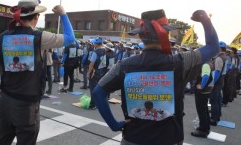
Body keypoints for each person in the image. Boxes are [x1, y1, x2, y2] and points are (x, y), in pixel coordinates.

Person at [93, 9, 219, 145]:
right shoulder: (181, 62)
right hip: (169, 139)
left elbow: (98, 93)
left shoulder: (123, 65)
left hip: (133, 138)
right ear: (166, 34)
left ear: (140, 37)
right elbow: (213, 47)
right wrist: (204, 19)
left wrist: (114, 125)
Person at [0, 0, 75, 145]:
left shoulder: (2, 37)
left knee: (1, 140)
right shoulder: (40, 37)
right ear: (36, 17)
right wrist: (62, 14)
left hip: (6, 100)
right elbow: (70, 38)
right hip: (27, 105)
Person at [191, 62, 213, 138]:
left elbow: (206, 76)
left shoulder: (205, 64)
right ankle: (205, 128)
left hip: (202, 92)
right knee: (204, 110)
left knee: (201, 111)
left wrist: (202, 86)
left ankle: (203, 130)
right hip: (205, 91)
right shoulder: (208, 63)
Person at [87, 36, 107, 110]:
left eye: (94, 43)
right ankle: (98, 103)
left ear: (96, 43)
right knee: (98, 88)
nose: (93, 44)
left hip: (94, 72)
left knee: (93, 88)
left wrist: (88, 73)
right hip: (101, 71)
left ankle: (93, 104)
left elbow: (91, 64)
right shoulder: (104, 50)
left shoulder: (96, 52)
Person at [210, 41, 227, 126]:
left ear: (219, 48)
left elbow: (217, 72)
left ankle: (214, 119)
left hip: (217, 81)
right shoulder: (224, 57)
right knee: (218, 99)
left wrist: (213, 83)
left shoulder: (219, 58)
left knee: (214, 100)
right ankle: (218, 116)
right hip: (221, 80)